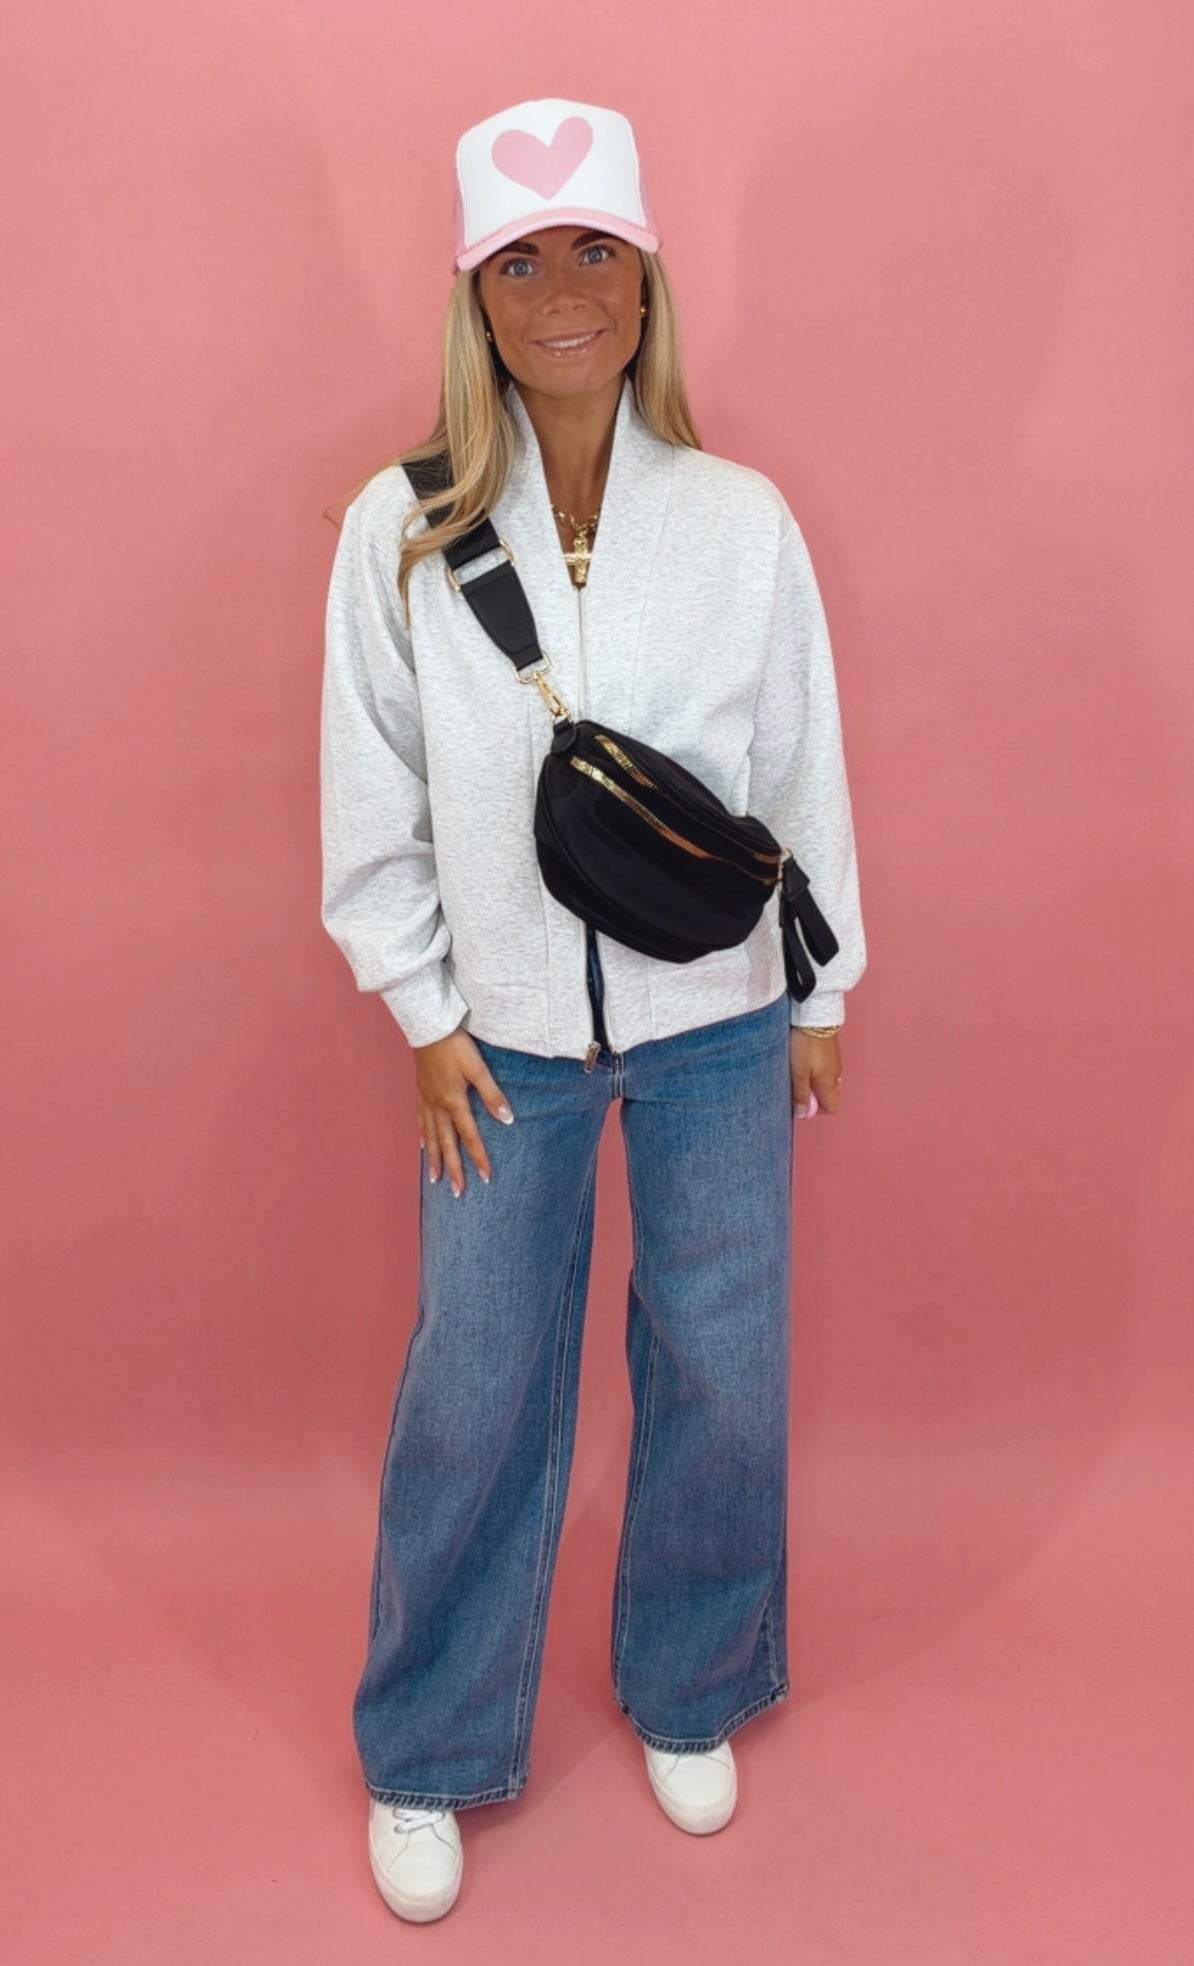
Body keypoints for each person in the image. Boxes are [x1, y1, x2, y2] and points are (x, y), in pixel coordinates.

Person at [320, 95, 867, 1924]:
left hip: (719, 1015)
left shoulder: (737, 519)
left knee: (721, 1361)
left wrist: (820, 984)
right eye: (521, 261)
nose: (562, 290)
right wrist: (424, 1013)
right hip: (502, 1039)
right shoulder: (400, 530)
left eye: (595, 253)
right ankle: (427, 1740)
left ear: (645, 283)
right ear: (474, 296)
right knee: (475, 1382)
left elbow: (795, 762)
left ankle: (692, 1680)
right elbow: (371, 794)